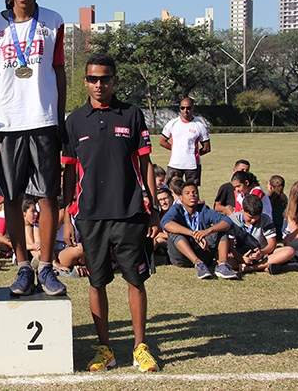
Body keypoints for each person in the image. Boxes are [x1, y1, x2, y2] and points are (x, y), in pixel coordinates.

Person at [62, 53, 160, 372]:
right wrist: (67, 216)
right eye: (93, 78)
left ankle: (139, 347)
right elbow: (68, 173)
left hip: (129, 210)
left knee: (135, 279)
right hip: (89, 214)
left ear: (115, 80)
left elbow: (145, 163)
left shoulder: (132, 114)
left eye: (105, 78)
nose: (99, 84)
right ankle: (105, 349)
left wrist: (153, 206)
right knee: (97, 282)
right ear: (86, 81)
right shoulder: (74, 121)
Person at [0, 0, 67, 296]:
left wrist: (59, 119)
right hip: (7, 123)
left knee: (48, 196)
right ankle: (22, 267)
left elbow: (59, 71)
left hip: (44, 120)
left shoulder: (53, 21)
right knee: (13, 198)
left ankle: (45, 266)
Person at [162, 181, 236, 280]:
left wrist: (209, 231)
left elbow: (228, 221)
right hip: (181, 257)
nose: (192, 195)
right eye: (187, 193)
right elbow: (166, 224)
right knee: (174, 233)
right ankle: (198, 263)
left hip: (203, 252)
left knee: (221, 230)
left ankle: (223, 265)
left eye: (194, 192)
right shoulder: (177, 209)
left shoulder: (203, 210)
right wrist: (192, 234)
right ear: (181, 198)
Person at [229, 194, 295, 274]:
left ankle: (251, 268)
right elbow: (230, 245)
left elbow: (272, 244)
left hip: (263, 255)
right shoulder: (233, 220)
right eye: (250, 217)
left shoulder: (265, 219)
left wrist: (261, 253)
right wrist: (241, 258)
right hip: (240, 253)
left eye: (256, 217)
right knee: (224, 260)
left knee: (289, 251)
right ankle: (266, 267)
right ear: (242, 209)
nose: (253, 220)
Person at [159, 97, 210, 186]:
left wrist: (194, 154)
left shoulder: (200, 126)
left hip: (192, 166)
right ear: (180, 109)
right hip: (174, 164)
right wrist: (176, 150)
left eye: (188, 108)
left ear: (193, 108)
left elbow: (206, 148)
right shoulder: (172, 123)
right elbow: (162, 141)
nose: (185, 110)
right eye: (182, 108)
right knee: (171, 189)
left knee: (191, 191)